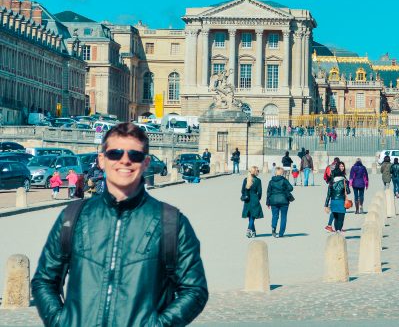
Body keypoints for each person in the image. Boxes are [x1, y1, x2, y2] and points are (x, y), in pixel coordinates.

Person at [31, 122, 208, 326]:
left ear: (146, 163)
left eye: (135, 155)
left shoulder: (171, 221)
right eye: (115, 153)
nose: (125, 161)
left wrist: (157, 325)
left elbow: (194, 290)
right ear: (102, 160)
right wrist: (62, 321)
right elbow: (44, 280)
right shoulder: (74, 216)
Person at [266, 166, 294, 238]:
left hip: (273, 201)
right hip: (284, 200)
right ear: (282, 173)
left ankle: (273, 228)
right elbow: (291, 188)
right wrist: (285, 189)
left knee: (275, 216)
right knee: (283, 217)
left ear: (275, 173)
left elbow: (268, 192)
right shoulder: (284, 180)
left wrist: (268, 202)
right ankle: (281, 233)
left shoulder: (271, 181)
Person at [324, 165, 350, 233]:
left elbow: (328, 195)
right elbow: (348, 191)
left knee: (336, 218)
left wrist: (326, 205)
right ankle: (339, 230)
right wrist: (347, 184)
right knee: (341, 219)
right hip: (341, 201)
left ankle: (336, 231)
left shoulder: (331, 182)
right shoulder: (343, 181)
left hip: (333, 202)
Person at [241, 166, 264, 238]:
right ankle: (249, 229)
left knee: (250, 216)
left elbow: (242, 191)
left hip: (247, 199)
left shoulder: (246, 179)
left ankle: (253, 232)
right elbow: (260, 192)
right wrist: (258, 199)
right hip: (254, 198)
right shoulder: (258, 180)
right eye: (258, 171)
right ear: (255, 172)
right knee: (253, 216)